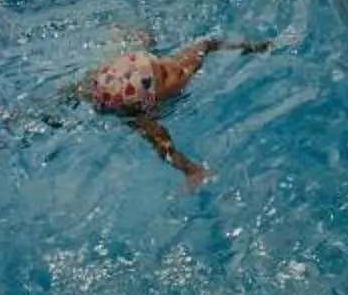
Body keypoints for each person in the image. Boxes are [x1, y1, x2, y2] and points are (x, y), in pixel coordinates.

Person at [76, 35, 270, 185]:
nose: (170, 64)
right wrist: (192, 171)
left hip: (129, 81)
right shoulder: (143, 120)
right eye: (164, 74)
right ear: (153, 101)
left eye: (159, 62)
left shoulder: (181, 65)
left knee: (141, 39)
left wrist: (250, 46)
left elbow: (207, 44)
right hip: (129, 96)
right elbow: (165, 147)